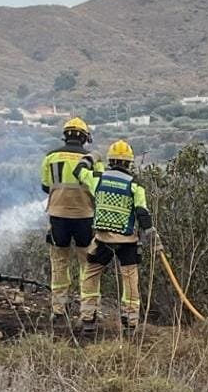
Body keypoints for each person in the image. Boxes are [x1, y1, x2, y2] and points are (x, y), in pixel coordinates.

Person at [74, 139, 155, 334]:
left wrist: (91, 157)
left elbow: (78, 171)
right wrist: (151, 233)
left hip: (103, 240)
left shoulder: (98, 179)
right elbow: (142, 212)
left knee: (90, 275)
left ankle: (88, 319)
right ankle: (130, 323)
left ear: (110, 161)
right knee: (130, 279)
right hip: (127, 242)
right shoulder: (135, 185)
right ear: (129, 163)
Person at [40, 117, 102, 320]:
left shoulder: (50, 157)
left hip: (58, 217)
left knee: (59, 263)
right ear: (84, 138)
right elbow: (99, 188)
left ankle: (58, 311)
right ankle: (89, 314)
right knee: (88, 265)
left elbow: (45, 186)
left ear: (65, 136)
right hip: (85, 217)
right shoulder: (92, 160)